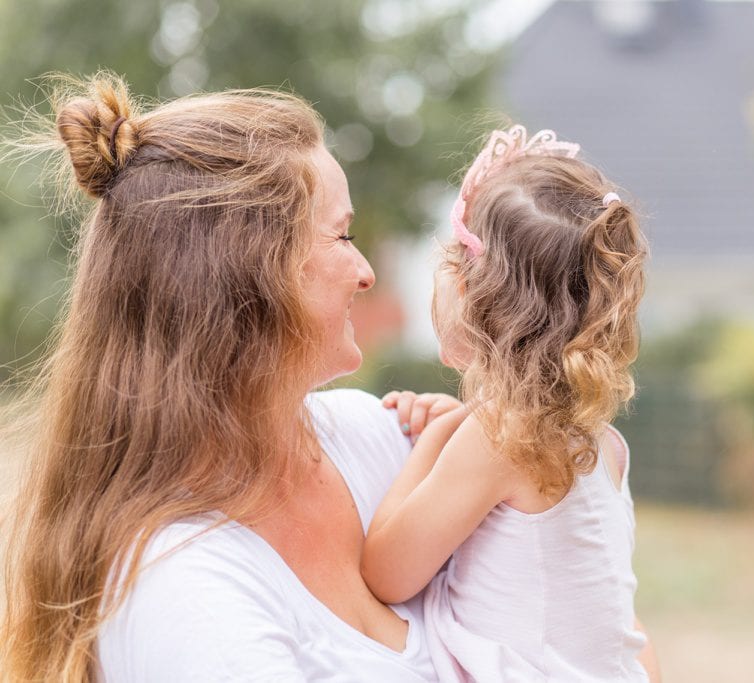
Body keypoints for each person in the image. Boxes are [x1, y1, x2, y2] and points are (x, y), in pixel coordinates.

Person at [0, 73, 459, 682]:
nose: (366, 271)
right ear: (246, 275)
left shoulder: (373, 434)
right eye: (341, 234)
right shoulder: (178, 584)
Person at [361, 125, 661, 682]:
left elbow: (385, 571)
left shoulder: (497, 437)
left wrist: (435, 436)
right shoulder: (600, 441)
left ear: (469, 288)